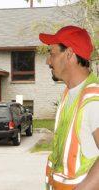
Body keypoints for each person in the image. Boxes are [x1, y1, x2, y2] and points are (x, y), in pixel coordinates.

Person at [39, 25, 99, 190]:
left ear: (69, 54)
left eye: (52, 54)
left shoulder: (93, 100)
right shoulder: (69, 94)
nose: (48, 61)